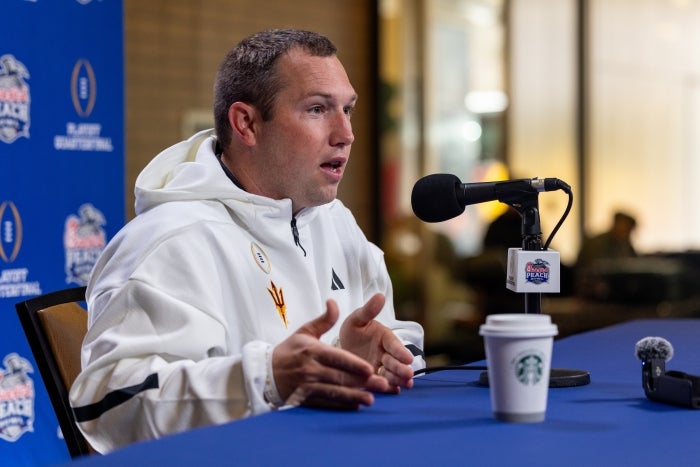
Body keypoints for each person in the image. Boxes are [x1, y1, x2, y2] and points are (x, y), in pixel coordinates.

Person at [69, 29, 425, 453]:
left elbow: (399, 336)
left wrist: (368, 358)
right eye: (317, 109)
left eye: (347, 110)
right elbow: (110, 406)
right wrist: (266, 380)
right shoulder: (170, 240)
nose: (345, 133)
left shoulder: (334, 221)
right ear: (247, 124)